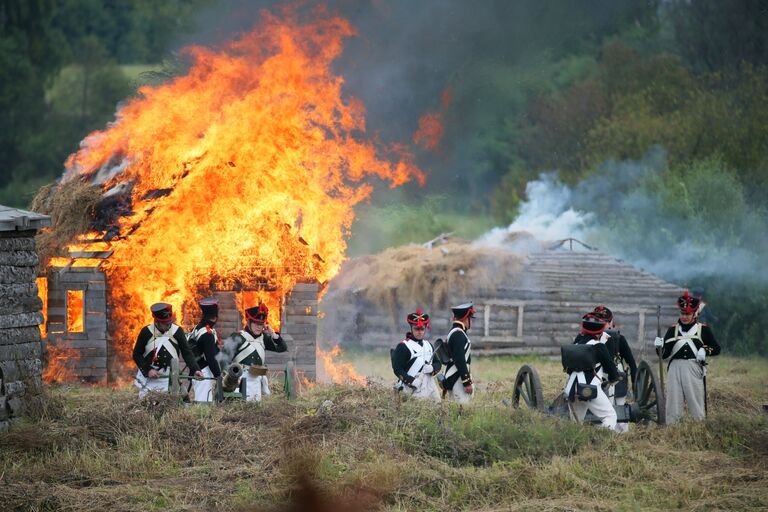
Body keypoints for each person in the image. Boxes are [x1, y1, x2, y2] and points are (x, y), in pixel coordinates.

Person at [655, 291, 721, 423]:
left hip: (693, 367)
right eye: (682, 313)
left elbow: (716, 348)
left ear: (694, 313)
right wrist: (659, 347)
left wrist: (704, 350)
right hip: (675, 368)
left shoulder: (703, 329)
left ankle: (698, 427)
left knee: (695, 401)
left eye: (687, 314)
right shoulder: (672, 330)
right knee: (673, 402)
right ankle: (672, 429)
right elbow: (664, 355)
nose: (684, 316)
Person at [563, 312, 621, 430]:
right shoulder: (599, 346)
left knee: (576, 425)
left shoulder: (575, 344)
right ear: (600, 331)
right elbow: (611, 370)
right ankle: (598, 438)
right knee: (610, 416)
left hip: (571, 389)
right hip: (589, 389)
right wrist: (613, 380)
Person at [133, 302, 202, 398]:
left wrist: (195, 369)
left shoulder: (177, 331)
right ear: (156, 322)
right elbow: (136, 354)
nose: (169, 326)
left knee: (179, 403)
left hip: (170, 377)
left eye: (169, 323)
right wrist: (148, 370)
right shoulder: (146, 332)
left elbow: (187, 353)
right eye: (165, 324)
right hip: (150, 378)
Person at [222, 303, 287, 402]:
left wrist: (273, 334)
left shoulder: (264, 338)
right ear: (249, 322)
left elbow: (282, 348)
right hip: (240, 379)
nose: (259, 327)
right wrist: (230, 379)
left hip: (257, 380)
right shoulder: (237, 336)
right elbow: (223, 360)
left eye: (261, 324)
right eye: (256, 323)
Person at [593, 305, 637, 433]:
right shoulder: (591, 338)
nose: (603, 325)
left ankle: (621, 433)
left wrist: (635, 382)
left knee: (620, 407)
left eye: (606, 322)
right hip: (597, 376)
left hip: (617, 377)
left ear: (611, 323)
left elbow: (631, 362)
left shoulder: (618, 339)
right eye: (599, 322)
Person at [391, 308, 442, 402]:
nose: (419, 332)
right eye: (416, 329)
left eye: (422, 329)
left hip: (430, 384)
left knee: (438, 408)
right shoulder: (403, 346)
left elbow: (438, 363)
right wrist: (411, 381)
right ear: (411, 328)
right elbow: (397, 369)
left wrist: (433, 368)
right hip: (412, 386)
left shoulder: (428, 345)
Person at [187, 297, 222, 402]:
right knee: (204, 404)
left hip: (197, 369)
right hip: (204, 372)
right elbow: (211, 358)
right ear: (215, 317)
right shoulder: (208, 334)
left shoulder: (198, 327)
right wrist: (218, 375)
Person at [441, 302, 475, 403]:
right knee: (461, 408)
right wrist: (466, 382)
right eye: (470, 318)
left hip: (456, 376)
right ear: (465, 318)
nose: (471, 322)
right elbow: (459, 359)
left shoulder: (456, 332)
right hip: (457, 377)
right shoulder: (458, 334)